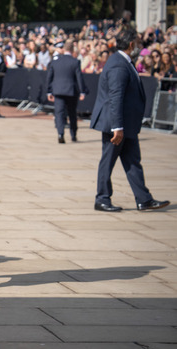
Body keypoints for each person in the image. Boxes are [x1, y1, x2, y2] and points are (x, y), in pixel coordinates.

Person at [90, 28, 169, 213]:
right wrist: (118, 127)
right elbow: (115, 96)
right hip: (117, 124)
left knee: (133, 161)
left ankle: (144, 199)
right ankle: (102, 199)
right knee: (108, 161)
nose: (140, 46)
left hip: (126, 123)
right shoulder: (119, 64)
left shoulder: (122, 61)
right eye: (139, 43)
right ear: (132, 44)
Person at [46, 41, 88, 143]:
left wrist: (49, 92)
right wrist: (82, 91)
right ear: (72, 50)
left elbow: (49, 78)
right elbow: (79, 78)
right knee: (72, 113)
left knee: (59, 113)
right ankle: (73, 135)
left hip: (58, 91)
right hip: (71, 91)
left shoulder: (55, 61)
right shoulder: (75, 61)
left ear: (63, 49)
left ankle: (60, 134)